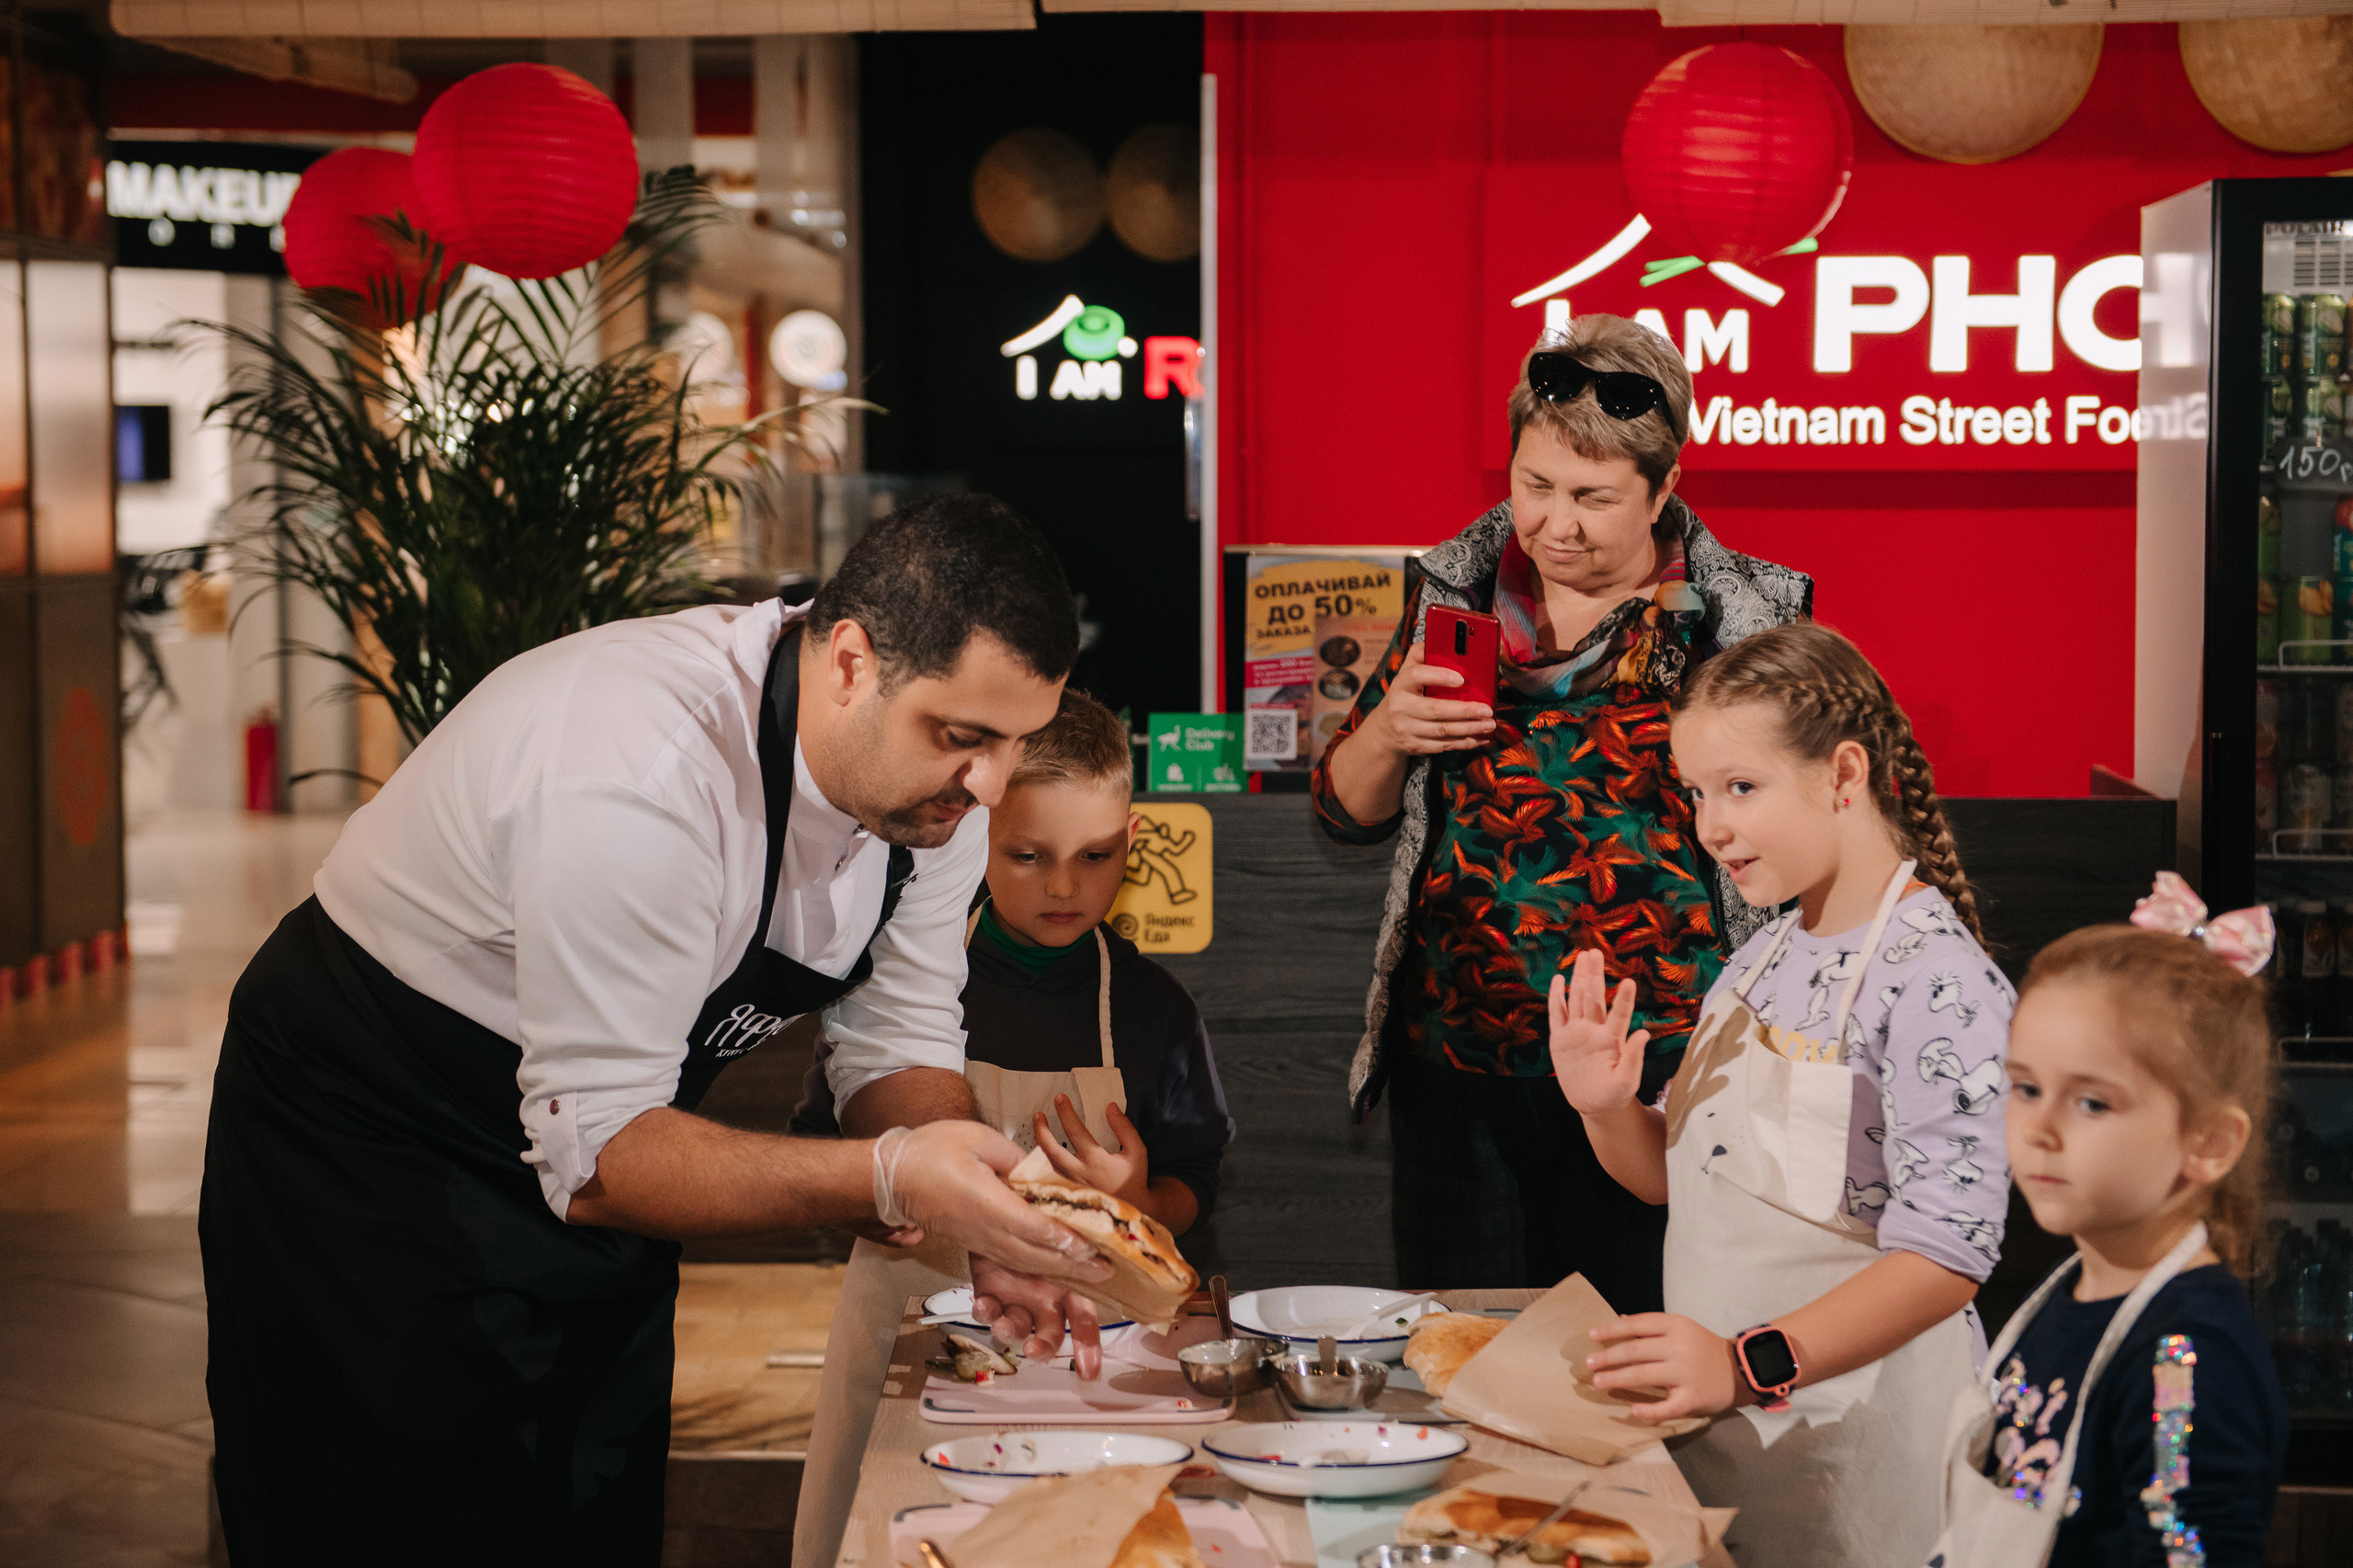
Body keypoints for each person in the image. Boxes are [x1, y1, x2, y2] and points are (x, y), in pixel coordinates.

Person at [199, 494, 1115, 1564]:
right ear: (853, 661)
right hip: (362, 1137)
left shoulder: (935, 795)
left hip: (600, 1133)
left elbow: (899, 1039)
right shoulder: (640, 771)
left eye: (1016, 742)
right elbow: (598, 1159)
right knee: (380, 1510)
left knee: (586, 1488)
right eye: (963, 738)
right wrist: (895, 1175)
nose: (992, 782)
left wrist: (986, 1226)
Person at [1313, 313, 1812, 1307]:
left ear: (1665, 488)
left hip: (1662, 1072)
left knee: (1637, 1368)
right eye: (1534, 486)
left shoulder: (1744, 620)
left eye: (1593, 498)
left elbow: (1804, 846)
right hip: (1460, 1064)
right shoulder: (1454, 592)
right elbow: (1345, 814)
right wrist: (1387, 732)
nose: (1555, 524)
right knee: (1464, 1358)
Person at [1552, 621, 2012, 1568]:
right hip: (1741, 1443)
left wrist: (1740, 1361)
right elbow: (1674, 1181)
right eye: (1695, 793)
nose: (1709, 826)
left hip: (1868, 1456)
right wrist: (1606, 1107)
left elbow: (1947, 1256)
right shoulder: (1762, 955)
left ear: (1844, 774)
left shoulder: (1937, 979)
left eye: (1740, 787)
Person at [1927, 887, 2288, 1568]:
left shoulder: (2187, 1358)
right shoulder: (2062, 1293)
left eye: (2092, 1102)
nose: (2039, 1130)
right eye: (2027, 1088)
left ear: (2208, 1142)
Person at [962, 687, 1233, 1234]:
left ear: (1129, 842)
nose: (1062, 887)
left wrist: (1141, 1201)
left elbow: (1194, 1174)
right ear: (973, 836)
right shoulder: (909, 985)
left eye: (1094, 856)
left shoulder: (1157, 1010)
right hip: (922, 1305)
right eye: (1027, 856)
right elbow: (831, 1139)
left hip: (1099, 1314)